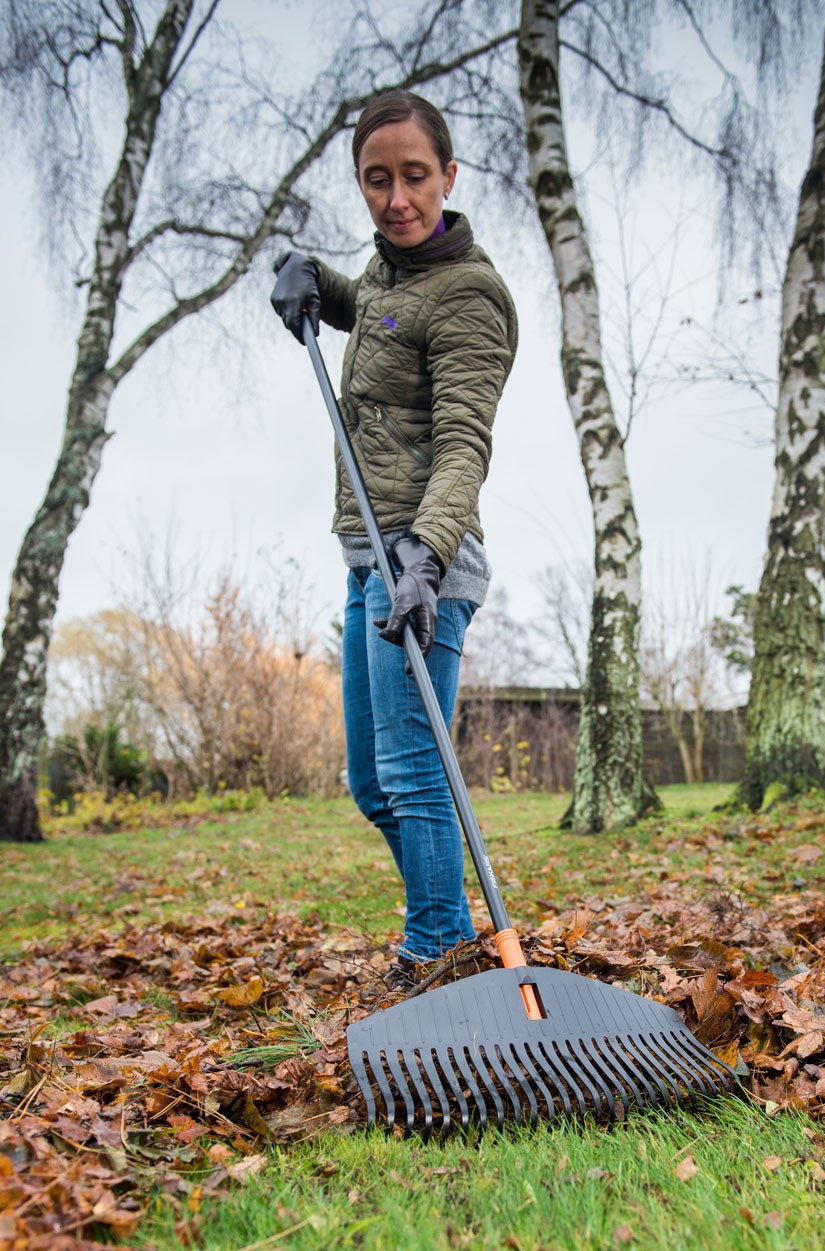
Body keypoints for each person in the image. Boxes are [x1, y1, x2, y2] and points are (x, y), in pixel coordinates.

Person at [270, 90, 518, 990]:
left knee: (414, 774)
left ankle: (438, 952)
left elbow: (464, 442)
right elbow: (377, 319)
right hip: (365, 556)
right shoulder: (389, 276)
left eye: (415, 177)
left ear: (449, 177)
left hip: (422, 560)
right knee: (374, 785)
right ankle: (446, 930)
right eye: (377, 181)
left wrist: (427, 554)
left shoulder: (469, 296)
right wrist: (315, 281)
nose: (397, 198)